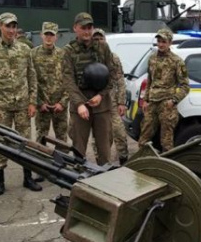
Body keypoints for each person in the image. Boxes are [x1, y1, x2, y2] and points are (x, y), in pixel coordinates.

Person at [0, 12, 40, 195]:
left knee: (25, 143)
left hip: (22, 104)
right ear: (0, 26)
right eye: (8, 26)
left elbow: (32, 76)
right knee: (0, 142)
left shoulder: (24, 49)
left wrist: (32, 102)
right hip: (2, 106)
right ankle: (0, 181)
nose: (11, 30)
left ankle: (27, 177)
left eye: (14, 26)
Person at [61, 12, 120, 165]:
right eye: (83, 28)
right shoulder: (69, 51)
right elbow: (68, 80)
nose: (87, 31)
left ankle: (104, 180)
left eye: (90, 27)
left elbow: (112, 74)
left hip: (101, 104)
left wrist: (101, 95)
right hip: (80, 104)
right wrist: (80, 104)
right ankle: (79, 179)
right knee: (78, 150)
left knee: (104, 149)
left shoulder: (103, 47)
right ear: (75, 28)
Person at [137, 28, 190, 152]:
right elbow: (150, 80)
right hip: (152, 103)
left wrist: (173, 101)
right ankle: (143, 163)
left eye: (164, 42)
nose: (160, 44)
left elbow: (185, 86)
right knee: (144, 137)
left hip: (166, 105)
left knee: (166, 141)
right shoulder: (152, 58)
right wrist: (146, 100)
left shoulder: (177, 61)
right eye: (159, 41)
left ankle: (167, 165)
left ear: (170, 43)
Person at [92, 28, 129, 165]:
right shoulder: (88, 58)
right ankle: (101, 164)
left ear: (105, 40)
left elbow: (120, 80)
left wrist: (121, 102)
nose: (98, 41)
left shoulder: (113, 58)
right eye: (95, 39)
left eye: (100, 38)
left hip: (112, 102)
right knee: (100, 137)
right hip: (96, 103)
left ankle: (124, 161)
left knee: (119, 133)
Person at [31, 22, 68, 145]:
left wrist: (63, 103)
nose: (48, 37)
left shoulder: (63, 55)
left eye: (51, 35)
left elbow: (69, 80)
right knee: (41, 138)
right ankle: (40, 163)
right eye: (46, 34)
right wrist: (39, 103)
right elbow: (30, 80)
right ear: (41, 35)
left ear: (56, 37)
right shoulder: (33, 54)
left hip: (60, 107)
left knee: (62, 140)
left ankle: (62, 163)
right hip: (42, 107)